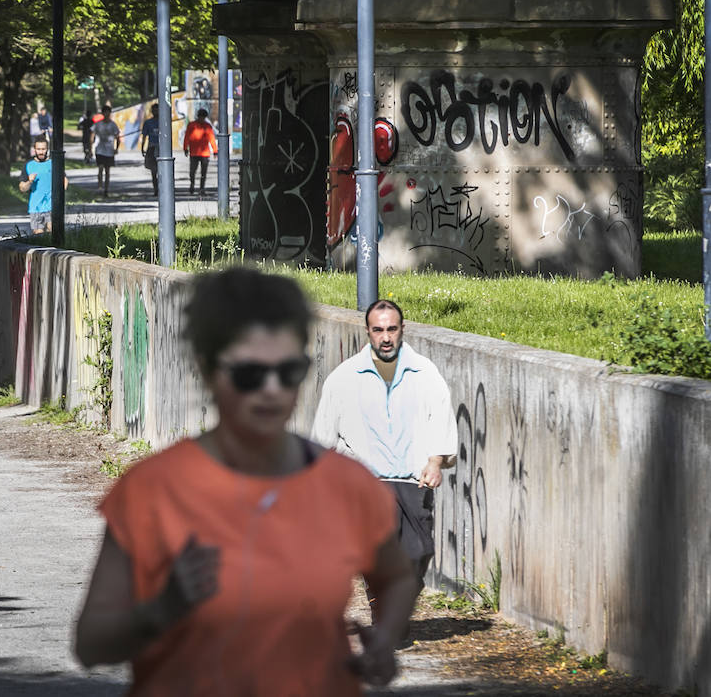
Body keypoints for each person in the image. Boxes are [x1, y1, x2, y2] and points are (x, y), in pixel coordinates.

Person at [74, 267, 419, 694]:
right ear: (206, 368)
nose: (272, 390)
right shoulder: (154, 490)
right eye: (250, 375)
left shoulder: (346, 485)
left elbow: (397, 577)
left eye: (289, 371)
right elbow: (90, 642)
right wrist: (163, 609)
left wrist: (384, 638)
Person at [311, 299, 458, 605]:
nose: (386, 337)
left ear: (402, 329)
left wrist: (435, 463)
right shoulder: (345, 377)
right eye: (378, 330)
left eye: (392, 329)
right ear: (368, 332)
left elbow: (441, 417)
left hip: (413, 479)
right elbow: (324, 433)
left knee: (419, 551)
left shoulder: (424, 373)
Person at [18, 138, 68, 235]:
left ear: (47, 149)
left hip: (52, 206)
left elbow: (64, 180)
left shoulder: (54, 163)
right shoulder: (29, 165)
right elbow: (22, 188)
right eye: (38, 149)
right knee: (39, 237)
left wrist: (59, 197)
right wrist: (30, 181)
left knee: (53, 233)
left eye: (43, 149)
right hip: (35, 207)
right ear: (34, 149)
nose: (41, 152)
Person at [183, 108, 219, 197]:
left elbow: (212, 138)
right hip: (194, 153)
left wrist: (215, 151)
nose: (202, 119)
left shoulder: (207, 126)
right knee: (192, 171)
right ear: (198, 116)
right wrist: (185, 148)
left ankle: (202, 189)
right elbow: (187, 137)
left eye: (203, 117)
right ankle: (192, 184)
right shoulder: (192, 125)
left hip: (204, 154)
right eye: (200, 117)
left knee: (203, 172)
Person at [91, 105, 120, 199]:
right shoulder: (98, 124)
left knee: (107, 171)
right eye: (105, 112)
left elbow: (118, 137)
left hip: (109, 151)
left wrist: (116, 148)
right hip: (99, 150)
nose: (107, 114)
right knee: (100, 169)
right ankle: (100, 188)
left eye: (108, 112)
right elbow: (92, 134)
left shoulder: (113, 124)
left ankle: (106, 189)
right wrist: (90, 146)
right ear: (103, 113)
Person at [139, 104, 161, 196]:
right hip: (152, 147)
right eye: (154, 110)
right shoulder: (148, 123)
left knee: (162, 170)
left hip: (162, 148)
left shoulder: (164, 121)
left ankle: (162, 188)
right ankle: (156, 189)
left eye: (157, 110)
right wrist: (142, 148)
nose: (156, 112)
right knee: (153, 170)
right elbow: (144, 136)